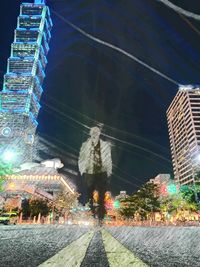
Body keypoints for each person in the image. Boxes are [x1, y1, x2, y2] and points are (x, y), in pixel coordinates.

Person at [78, 126, 112, 222]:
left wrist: (108, 171)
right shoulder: (85, 145)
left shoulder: (105, 145)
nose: (94, 134)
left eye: (96, 132)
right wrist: (82, 170)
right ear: (90, 134)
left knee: (101, 197)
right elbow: (81, 158)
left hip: (102, 172)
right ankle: (92, 215)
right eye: (93, 132)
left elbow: (109, 159)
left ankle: (100, 218)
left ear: (99, 134)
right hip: (89, 172)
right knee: (89, 195)